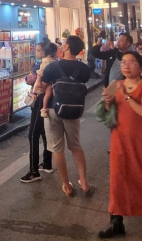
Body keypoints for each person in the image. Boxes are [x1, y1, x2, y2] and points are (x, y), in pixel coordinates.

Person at [99, 51, 142, 238]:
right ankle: (115, 220)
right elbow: (109, 113)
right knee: (118, 177)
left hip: (141, 140)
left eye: (131, 62)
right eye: (123, 62)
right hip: (119, 139)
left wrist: (127, 96)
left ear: (140, 66)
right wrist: (107, 102)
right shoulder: (117, 84)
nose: (126, 66)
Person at [40, 35, 93, 197]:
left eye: (64, 44)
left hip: (52, 109)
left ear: (68, 47)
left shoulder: (52, 67)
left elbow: (43, 87)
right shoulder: (84, 69)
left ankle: (66, 185)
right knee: (75, 146)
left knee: (57, 148)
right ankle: (83, 182)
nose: (62, 46)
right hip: (73, 110)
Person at [20, 42, 55, 183]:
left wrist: (35, 89)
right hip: (48, 101)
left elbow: (40, 84)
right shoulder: (54, 63)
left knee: (33, 134)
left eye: (39, 50)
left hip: (40, 99)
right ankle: (47, 163)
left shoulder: (45, 65)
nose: (37, 52)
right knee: (44, 132)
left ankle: (34, 171)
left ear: (45, 52)